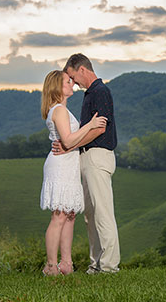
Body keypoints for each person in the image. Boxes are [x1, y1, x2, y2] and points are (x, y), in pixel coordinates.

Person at [53, 53, 120, 274]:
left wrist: (69, 147)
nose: (74, 83)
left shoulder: (100, 92)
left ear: (82, 70)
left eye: (73, 77)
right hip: (88, 157)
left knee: (102, 212)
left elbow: (100, 129)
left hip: (98, 155)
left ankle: (109, 266)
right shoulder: (91, 94)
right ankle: (96, 264)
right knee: (90, 215)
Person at [39, 69, 107, 276]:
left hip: (68, 164)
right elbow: (68, 141)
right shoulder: (58, 110)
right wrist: (90, 126)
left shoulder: (61, 109)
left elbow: (68, 140)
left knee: (69, 215)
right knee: (59, 216)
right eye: (68, 81)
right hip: (60, 165)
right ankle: (51, 266)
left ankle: (66, 264)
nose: (72, 84)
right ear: (57, 87)